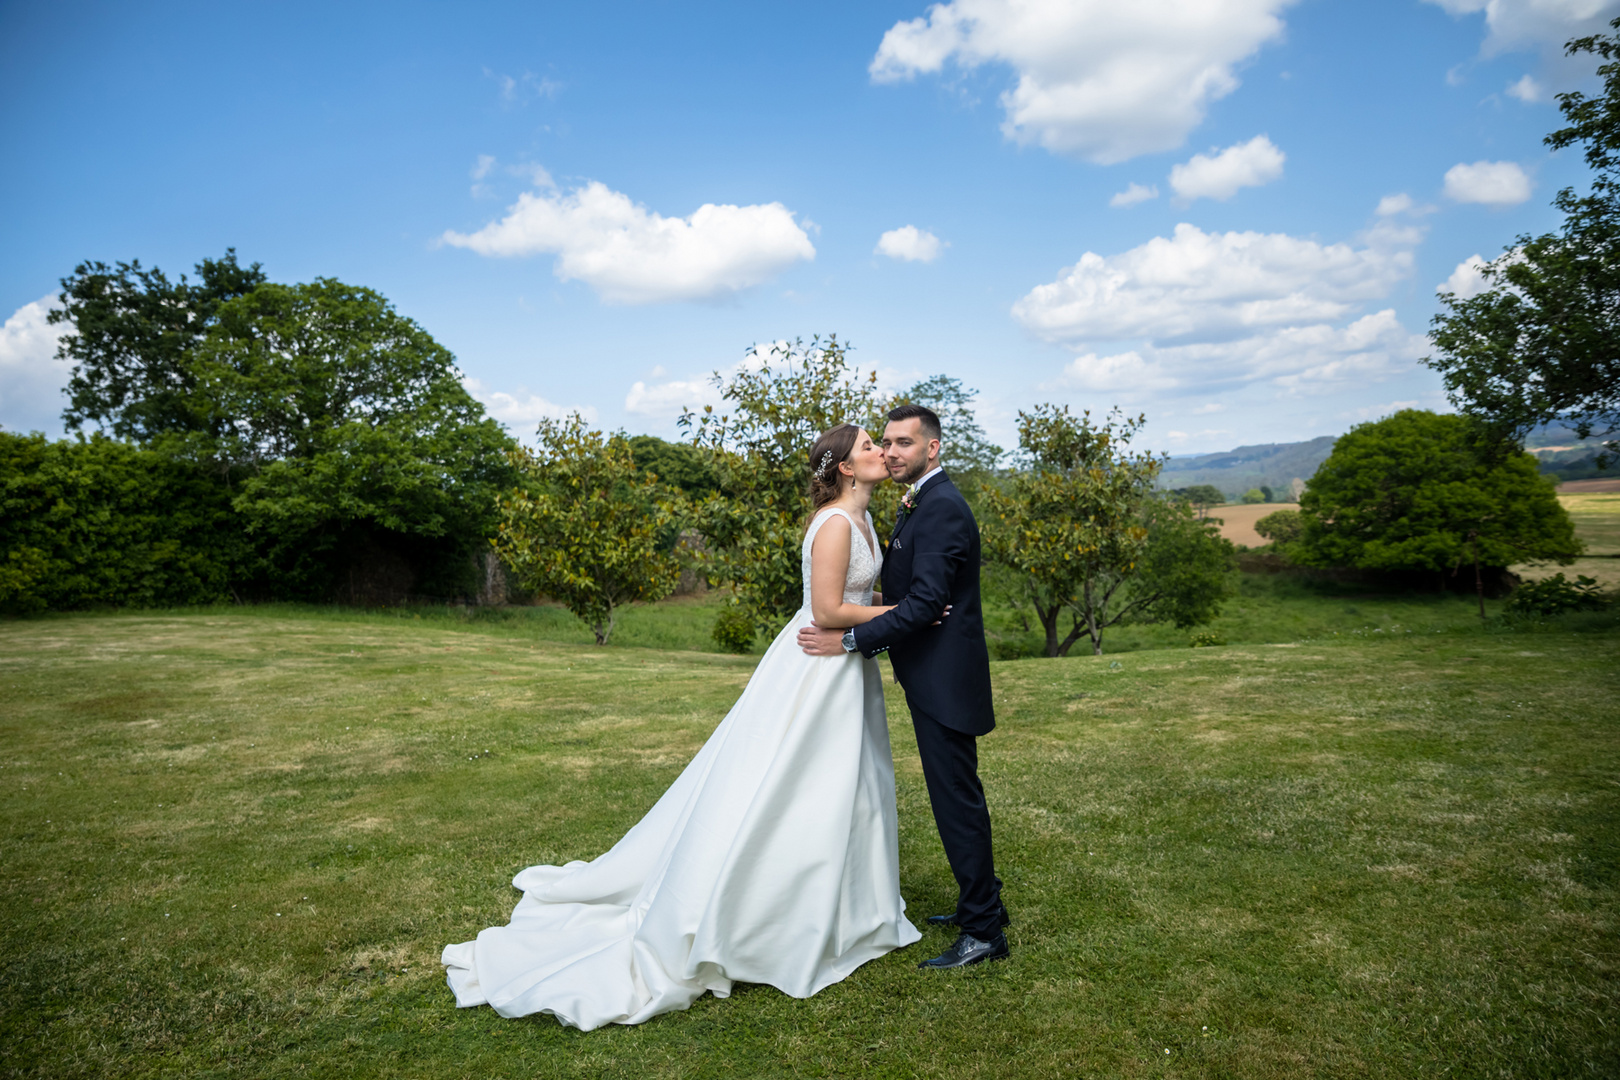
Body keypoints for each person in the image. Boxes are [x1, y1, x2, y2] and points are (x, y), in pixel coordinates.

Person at [441, 424, 922, 1030]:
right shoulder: (832, 524)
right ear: (847, 469)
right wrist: (913, 611)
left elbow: (854, 596)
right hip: (815, 668)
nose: (883, 453)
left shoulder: (865, 519)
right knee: (794, 785)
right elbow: (826, 610)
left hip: (842, 667)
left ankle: (843, 905)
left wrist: (886, 606)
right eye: (870, 449)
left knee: (844, 786)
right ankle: (766, 910)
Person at [798, 404, 1010, 970]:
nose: (890, 452)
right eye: (883, 442)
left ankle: (985, 931)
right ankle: (982, 906)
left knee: (955, 799)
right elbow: (909, 599)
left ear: (932, 448)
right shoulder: (919, 501)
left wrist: (846, 642)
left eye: (902, 444)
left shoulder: (939, 508)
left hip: (945, 678)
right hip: (933, 673)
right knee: (958, 794)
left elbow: (923, 606)